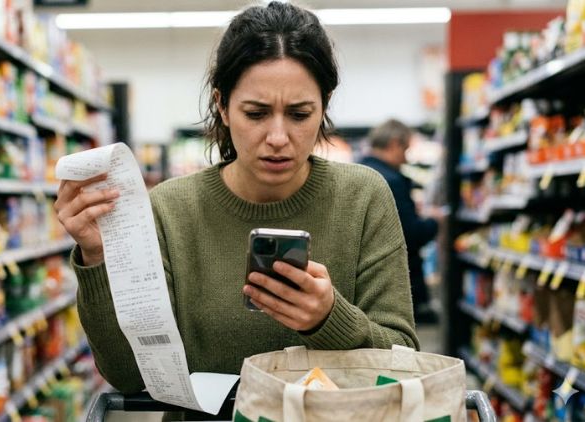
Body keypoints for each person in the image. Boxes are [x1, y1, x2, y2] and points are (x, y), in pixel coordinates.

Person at [55, 2, 418, 417]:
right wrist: (99, 258)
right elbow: (128, 375)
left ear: (324, 107)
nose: (278, 137)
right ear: (223, 106)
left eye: (300, 114)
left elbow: (405, 357)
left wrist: (328, 319)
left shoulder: (363, 196)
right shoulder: (170, 210)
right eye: (256, 113)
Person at [359, 119, 443, 324]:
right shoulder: (392, 180)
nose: (405, 159)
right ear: (395, 144)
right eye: (405, 150)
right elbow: (410, 235)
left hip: (366, 281)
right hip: (395, 282)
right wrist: (434, 221)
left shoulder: (359, 171)